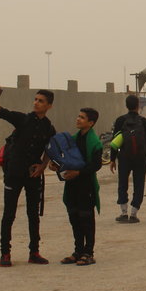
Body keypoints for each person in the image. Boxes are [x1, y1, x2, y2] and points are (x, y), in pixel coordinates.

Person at [0, 85, 55, 267]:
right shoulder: (23, 119)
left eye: (41, 101)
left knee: (33, 214)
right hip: (14, 173)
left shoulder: (48, 127)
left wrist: (42, 166)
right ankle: (5, 253)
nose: (36, 103)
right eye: (35, 99)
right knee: (9, 214)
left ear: (49, 106)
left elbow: (50, 149)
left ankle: (34, 252)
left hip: (33, 175)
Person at [58, 108, 103, 266]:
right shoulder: (73, 140)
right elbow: (65, 159)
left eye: (82, 117)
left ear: (91, 123)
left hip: (86, 185)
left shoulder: (95, 143)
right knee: (74, 218)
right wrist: (56, 165)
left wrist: (78, 172)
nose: (78, 119)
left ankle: (88, 253)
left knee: (86, 219)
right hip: (72, 185)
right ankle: (78, 251)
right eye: (78, 116)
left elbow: (96, 165)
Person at [110, 95, 146, 223]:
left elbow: (115, 141)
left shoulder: (120, 120)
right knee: (139, 184)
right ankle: (134, 214)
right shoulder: (144, 122)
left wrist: (112, 159)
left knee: (122, 183)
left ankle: (123, 212)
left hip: (124, 157)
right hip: (140, 158)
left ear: (126, 105)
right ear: (138, 105)